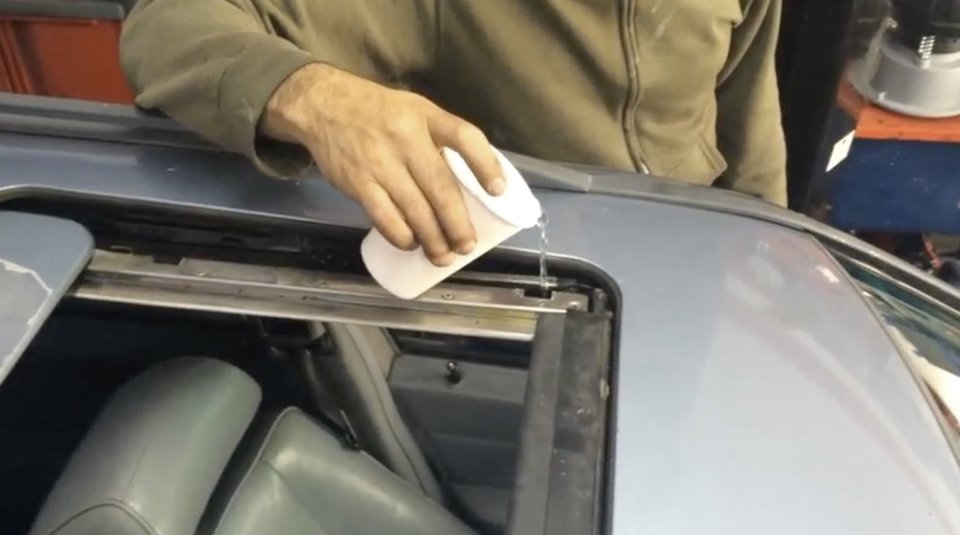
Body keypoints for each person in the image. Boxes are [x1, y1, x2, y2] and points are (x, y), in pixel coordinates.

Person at [120, 0, 786, 266]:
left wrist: (774, 249)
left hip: (693, 273)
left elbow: (750, 107)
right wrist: (317, 97)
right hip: (547, 295)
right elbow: (166, 27)